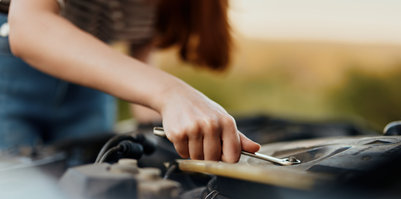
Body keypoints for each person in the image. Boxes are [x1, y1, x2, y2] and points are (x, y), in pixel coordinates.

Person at [0, 0, 260, 162]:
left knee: (87, 189)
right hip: (9, 78)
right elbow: (29, 28)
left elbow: (140, 63)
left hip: (92, 84)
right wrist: (171, 93)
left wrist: (161, 132)